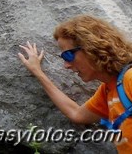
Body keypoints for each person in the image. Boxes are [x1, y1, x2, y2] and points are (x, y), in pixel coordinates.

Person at [18, 15, 132, 153]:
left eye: (68, 56)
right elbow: (77, 114)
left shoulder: (129, 79)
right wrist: (38, 72)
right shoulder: (108, 90)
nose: (66, 65)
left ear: (91, 47)